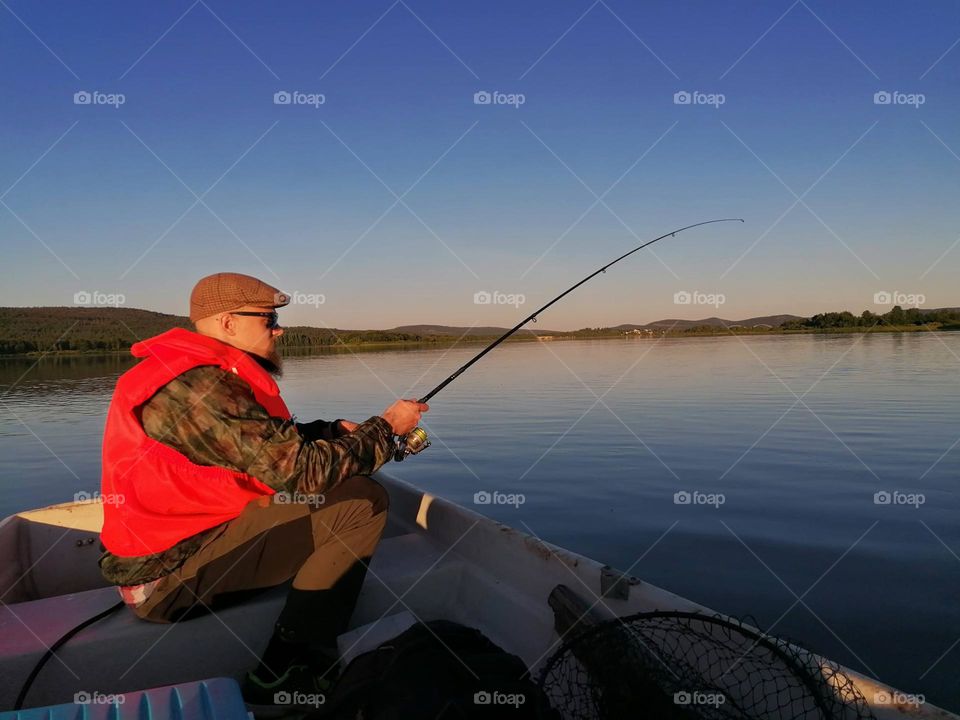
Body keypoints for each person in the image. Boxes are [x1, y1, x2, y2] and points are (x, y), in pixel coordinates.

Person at [97, 271, 428, 702]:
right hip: (167, 583)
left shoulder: (189, 374)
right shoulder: (200, 388)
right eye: (269, 319)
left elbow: (254, 446)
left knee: (344, 486)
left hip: (188, 548)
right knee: (360, 499)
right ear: (229, 322)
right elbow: (302, 474)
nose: (279, 328)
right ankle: (286, 675)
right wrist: (386, 429)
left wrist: (330, 430)